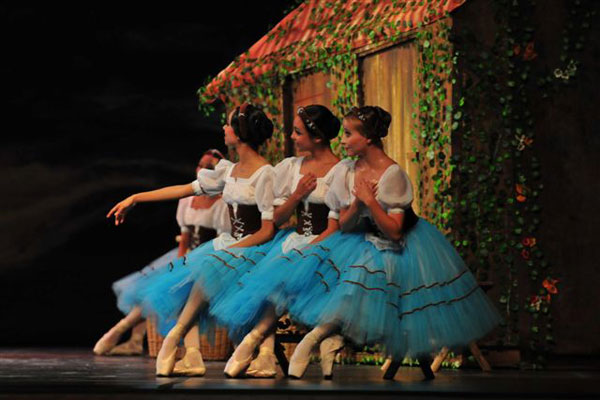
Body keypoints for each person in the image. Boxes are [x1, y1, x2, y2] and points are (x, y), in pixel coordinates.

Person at [269, 106, 502, 379]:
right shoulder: (346, 169)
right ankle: (330, 338)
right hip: (360, 239)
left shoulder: (392, 174)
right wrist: (357, 205)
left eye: (348, 134)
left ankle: (315, 338)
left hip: (398, 247)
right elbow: (344, 224)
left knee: (362, 277)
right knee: (322, 268)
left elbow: (395, 232)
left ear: (368, 138)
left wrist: (370, 202)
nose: (342, 140)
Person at [107, 103, 277, 376]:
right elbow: (184, 190)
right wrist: (136, 198)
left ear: (239, 133)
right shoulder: (229, 170)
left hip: (256, 247)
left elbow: (267, 230)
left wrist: (233, 249)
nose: (224, 128)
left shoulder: (265, 173)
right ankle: (186, 348)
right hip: (231, 246)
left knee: (210, 269)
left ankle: (184, 339)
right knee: (192, 275)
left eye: (228, 124)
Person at [210, 104, 342, 378]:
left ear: (317, 137)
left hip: (332, 244)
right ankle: (262, 349)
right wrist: (296, 195)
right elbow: (275, 218)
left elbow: (340, 222)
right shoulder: (291, 167)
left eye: (298, 132)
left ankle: (256, 342)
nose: (292, 137)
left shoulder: (342, 171)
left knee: (287, 274)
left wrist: (310, 249)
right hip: (297, 240)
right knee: (268, 277)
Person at [93, 150, 229, 357]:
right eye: (201, 165)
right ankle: (133, 338)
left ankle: (121, 329)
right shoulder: (188, 199)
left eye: (209, 167)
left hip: (210, 258)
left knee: (174, 290)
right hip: (188, 255)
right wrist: (181, 263)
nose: (202, 170)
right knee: (152, 283)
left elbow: (220, 241)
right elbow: (185, 238)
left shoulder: (222, 203)